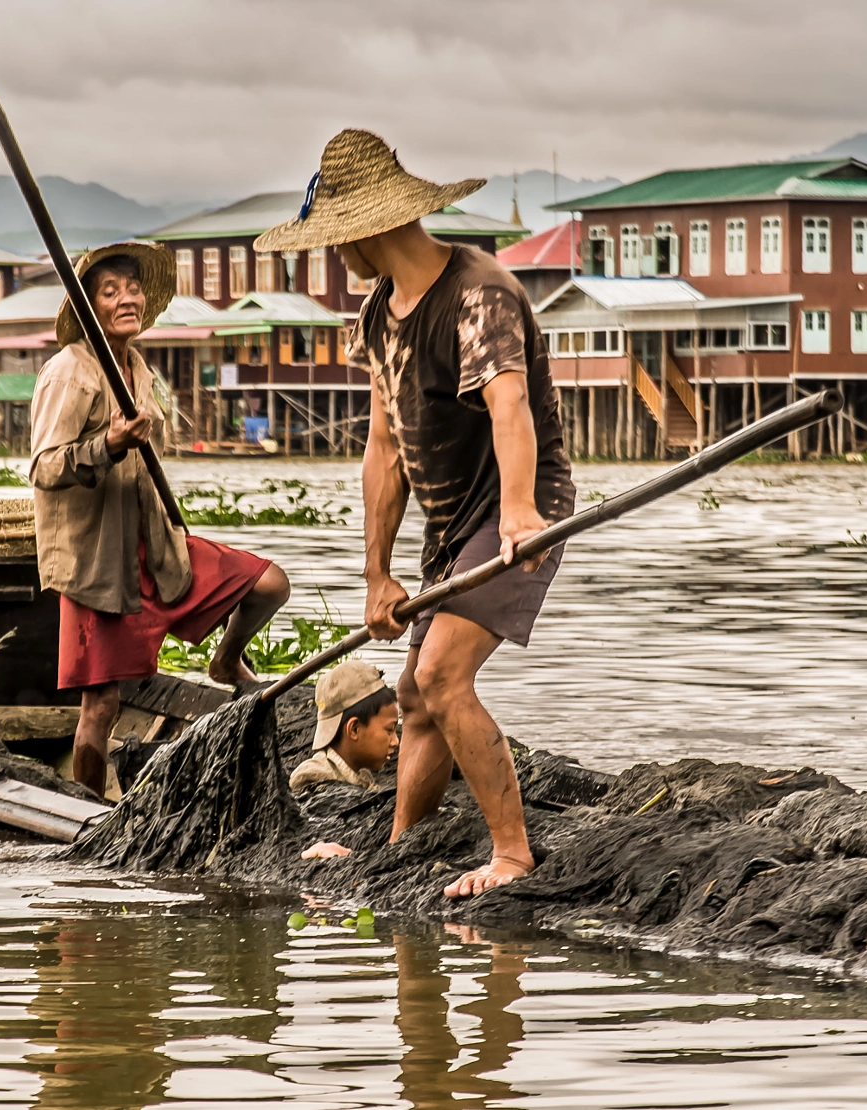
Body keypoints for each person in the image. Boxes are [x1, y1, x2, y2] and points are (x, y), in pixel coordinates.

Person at [256, 130, 576, 898]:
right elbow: (384, 450)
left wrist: (523, 512)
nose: (339, 257)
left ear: (371, 228)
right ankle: (402, 846)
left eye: (340, 242)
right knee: (413, 699)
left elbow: (510, 407)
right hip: (450, 523)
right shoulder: (377, 314)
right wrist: (375, 573)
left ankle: (511, 856)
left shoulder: (479, 293)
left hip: (511, 509)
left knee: (440, 674)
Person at [30, 242, 292, 798]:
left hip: (156, 546)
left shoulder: (138, 368)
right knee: (100, 705)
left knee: (269, 583)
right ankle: (89, 815)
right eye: (110, 291)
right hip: (99, 565)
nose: (127, 299)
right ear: (89, 307)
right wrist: (108, 444)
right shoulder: (68, 372)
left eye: (132, 288)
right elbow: (45, 468)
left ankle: (226, 661)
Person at [289, 660, 401, 795]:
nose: (396, 742)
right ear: (354, 729)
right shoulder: (312, 777)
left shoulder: (363, 775)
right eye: (389, 730)